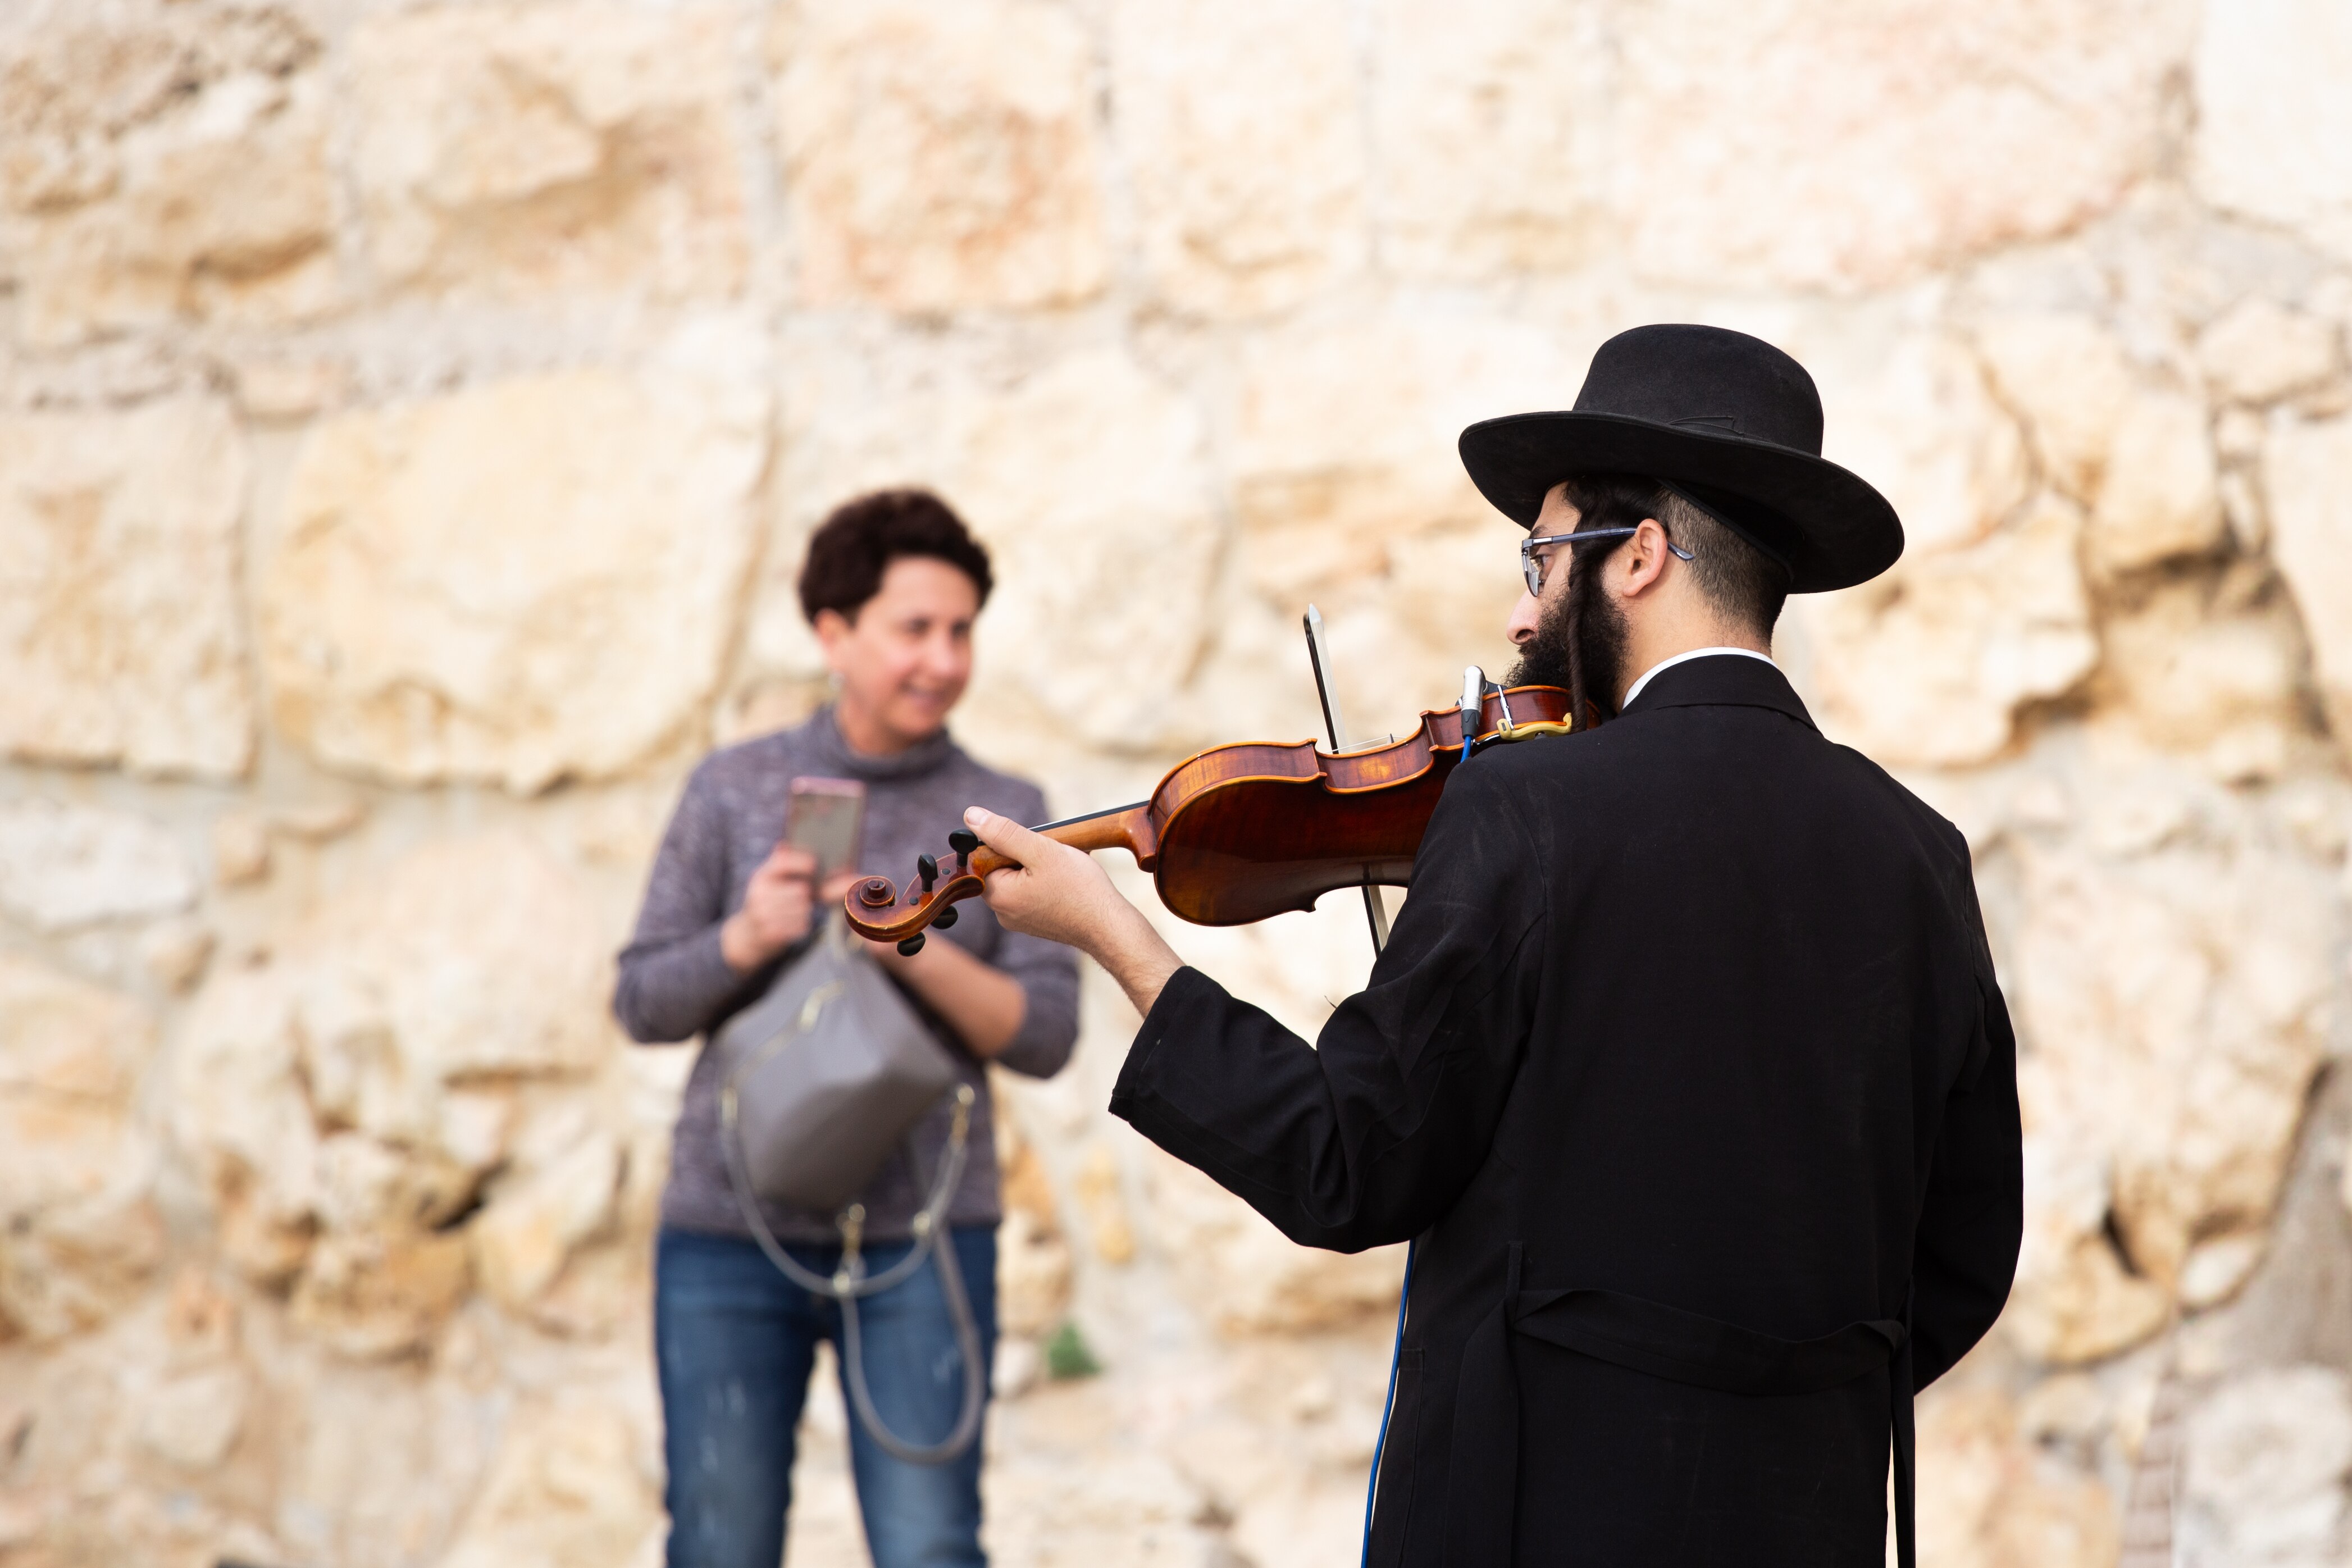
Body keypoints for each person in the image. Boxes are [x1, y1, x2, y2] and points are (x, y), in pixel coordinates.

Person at [948, 325, 2022, 1566]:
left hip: (1535, 1513)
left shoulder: (1526, 809)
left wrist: (1117, 936)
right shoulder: (1918, 852)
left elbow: (1348, 1164)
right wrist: (1776, 1396)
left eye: (1539, 557)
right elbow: (1961, 1254)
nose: (1521, 613)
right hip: (1808, 1515)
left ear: (1640, 558)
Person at [614, 489, 1079, 1568]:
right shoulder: (733, 788)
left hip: (928, 1236)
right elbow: (641, 1001)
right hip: (729, 1233)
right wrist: (745, 938)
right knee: (720, 1547)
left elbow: (1043, 1035)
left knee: (931, 1548)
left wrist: (903, 944)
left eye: (961, 631)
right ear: (833, 633)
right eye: (914, 629)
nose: (945, 658)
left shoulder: (1003, 808)